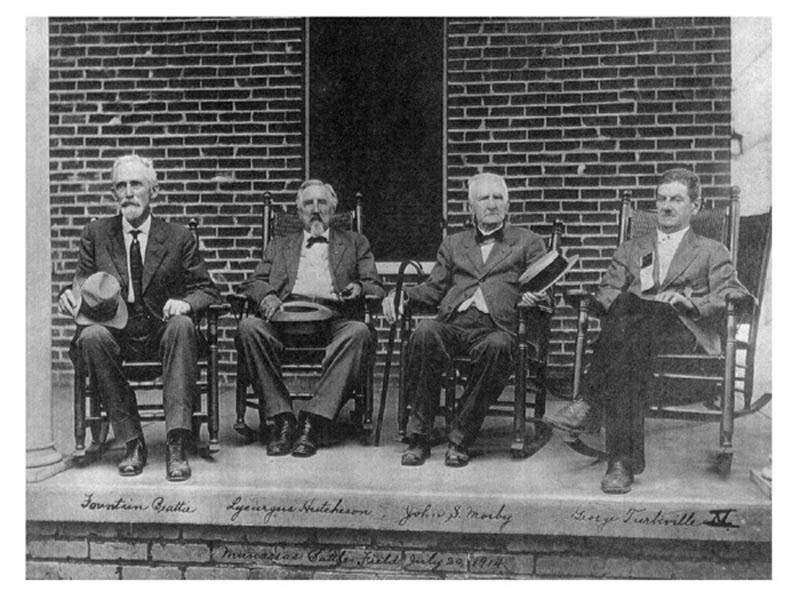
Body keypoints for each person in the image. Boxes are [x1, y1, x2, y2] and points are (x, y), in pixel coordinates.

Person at [545, 168, 748, 494]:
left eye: (677, 199)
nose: (666, 206)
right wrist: (613, 301)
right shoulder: (631, 249)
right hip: (635, 338)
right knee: (629, 326)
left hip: (682, 332)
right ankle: (621, 463)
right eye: (661, 198)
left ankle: (588, 401)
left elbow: (732, 294)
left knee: (628, 316)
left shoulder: (712, 250)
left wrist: (689, 301)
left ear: (694, 206)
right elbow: (608, 292)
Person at [59, 154, 220, 482]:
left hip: (163, 329)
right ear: (112, 194)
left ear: (154, 191)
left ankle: (177, 441)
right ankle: (132, 440)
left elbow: (207, 290)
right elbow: (81, 284)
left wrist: (185, 304)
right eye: (121, 186)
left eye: (136, 184)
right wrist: (70, 296)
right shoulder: (96, 234)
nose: (128, 192)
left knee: (182, 326)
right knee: (90, 337)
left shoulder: (178, 237)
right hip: (116, 331)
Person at [383, 172, 551, 467]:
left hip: (499, 327)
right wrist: (401, 295)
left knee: (498, 347)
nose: (491, 204)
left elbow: (546, 289)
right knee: (424, 332)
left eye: (498, 198)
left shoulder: (528, 242)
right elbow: (434, 288)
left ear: (507, 205)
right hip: (455, 324)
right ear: (471, 207)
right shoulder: (454, 244)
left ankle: (460, 437)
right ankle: (418, 436)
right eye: (484, 198)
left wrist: (536, 299)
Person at [236, 179, 385, 458]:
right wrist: (267, 295)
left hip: (334, 319)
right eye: (308, 204)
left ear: (334, 207)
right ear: (299, 211)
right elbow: (254, 282)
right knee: (248, 327)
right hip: (285, 319)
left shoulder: (354, 242)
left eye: (322, 203)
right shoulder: (280, 245)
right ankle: (282, 418)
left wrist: (360, 288)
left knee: (359, 332)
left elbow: (375, 286)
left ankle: (312, 421)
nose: (315, 210)